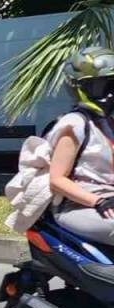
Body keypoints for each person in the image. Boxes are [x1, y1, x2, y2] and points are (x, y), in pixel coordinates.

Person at [47, 47, 114, 245]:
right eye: (102, 86)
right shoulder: (75, 124)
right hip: (79, 207)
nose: (110, 94)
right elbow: (57, 179)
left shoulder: (107, 124)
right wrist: (98, 201)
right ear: (81, 87)